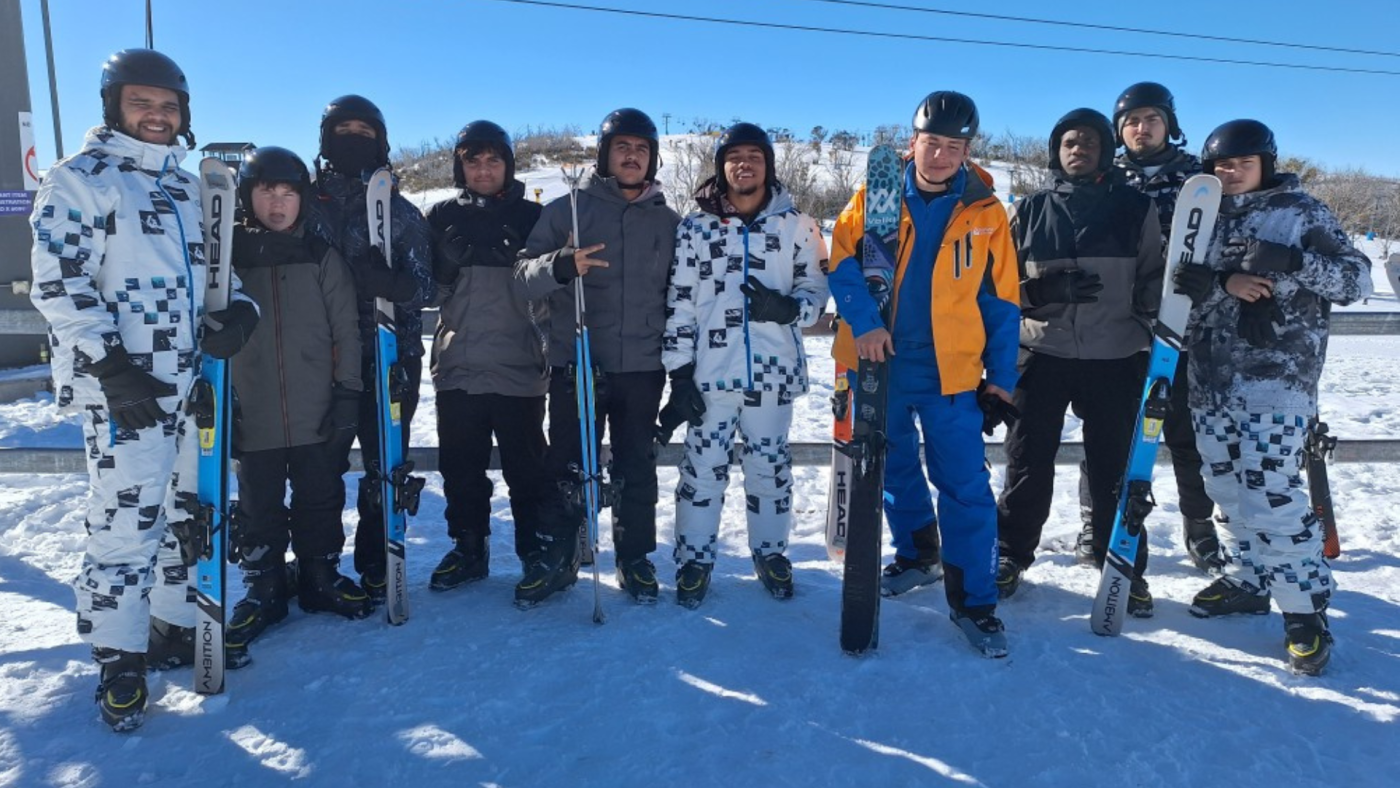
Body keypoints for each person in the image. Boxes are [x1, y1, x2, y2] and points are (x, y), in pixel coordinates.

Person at [28, 49, 257, 731]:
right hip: (123, 389)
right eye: (142, 103)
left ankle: (173, 622)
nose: (157, 116)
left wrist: (240, 310)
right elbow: (58, 283)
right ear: (113, 106)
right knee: (126, 522)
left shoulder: (191, 189)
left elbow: (220, 275)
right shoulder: (81, 180)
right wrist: (107, 364)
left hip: (192, 386)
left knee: (191, 510)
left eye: (168, 106)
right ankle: (119, 654)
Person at [829, 91, 1021, 657]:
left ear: (967, 151)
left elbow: (1002, 302)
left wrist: (1001, 378)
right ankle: (918, 555)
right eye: (931, 143)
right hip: (878, 361)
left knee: (964, 485)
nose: (939, 155)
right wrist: (865, 323)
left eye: (952, 146)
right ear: (912, 143)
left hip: (952, 370)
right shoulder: (874, 196)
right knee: (889, 470)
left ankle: (976, 602)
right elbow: (842, 263)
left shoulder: (986, 212)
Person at [1177, 119, 1371, 676]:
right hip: (1210, 379)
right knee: (1224, 487)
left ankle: (1304, 610)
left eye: (1242, 163)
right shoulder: (1201, 215)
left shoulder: (1300, 211)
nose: (1230, 173)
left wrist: (1290, 261)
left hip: (1277, 384)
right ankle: (1248, 578)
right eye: (1220, 165)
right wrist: (1218, 284)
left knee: (1273, 496)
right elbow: (1179, 287)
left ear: (1266, 162)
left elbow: (1355, 280)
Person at [995, 108, 1164, 617]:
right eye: (1068, 142)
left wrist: (1173, 306)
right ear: (1056, 150)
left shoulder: (1135, 208)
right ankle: (1009, 553)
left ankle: (1124, 565)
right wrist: (1038, 290)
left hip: (1114, 356)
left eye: (1088, 142)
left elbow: (1153, 279)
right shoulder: (1029, 209)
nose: (1077, 149)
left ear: (1105, 150)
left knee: (1115, 466)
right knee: (1026, 461)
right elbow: (998, 288)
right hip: (1041, 353)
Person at [515, 108, 680, 607]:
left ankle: (634, 557)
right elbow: (522, 277)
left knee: (636, 464)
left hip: (642, 366)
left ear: (652, 159)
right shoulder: (567, 209)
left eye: (641, 149)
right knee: (566, 463)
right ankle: (558, 556)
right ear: (606, 155)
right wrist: (561, 266)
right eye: (622, 148)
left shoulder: (668, 221)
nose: (632, 156)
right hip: (578, 361)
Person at [661, 122, 829, 608]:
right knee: (702, 468)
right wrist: (678, 372)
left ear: (768, 165)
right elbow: (681, 302)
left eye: (754, 156)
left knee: (770, 467)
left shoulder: (798, 225)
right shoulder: (695, 228)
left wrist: (789, 309)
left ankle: (771, 552)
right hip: (711, 374)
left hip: (773, 375)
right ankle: (694, 559)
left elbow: (817, 291)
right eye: (734, 157)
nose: (744, 164)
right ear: (721, 166)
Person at [224, 146, 371, 667]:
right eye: (267, 191)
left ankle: (319, 575)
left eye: (289, 192)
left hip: (315, 406)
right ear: (248, 195)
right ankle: (263, 585)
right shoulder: (226, 261)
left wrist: (348, 394)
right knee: (257, 503)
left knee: (319, 496)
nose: (278, 203)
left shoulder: (321, 257)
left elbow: (345, 330)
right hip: (253, 407)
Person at [1082, 81, 1220, 574]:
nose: (1142, 128)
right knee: (1109, 432)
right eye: (1133, 121)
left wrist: (1213, 276)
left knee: (1183, 432)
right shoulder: (1103, 177)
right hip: (1119, 326)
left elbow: (1224, 243)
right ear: (1120, 129)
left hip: (1184, 325)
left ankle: (1199, 524)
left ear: (1169, 124)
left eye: (1152, 119)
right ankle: (1094, 520)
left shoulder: (1199, 179)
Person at [307, 95, 435, 603]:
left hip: (390, 357)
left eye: (364, 131)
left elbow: (429, 289)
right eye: (344, 130)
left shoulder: (401, 212)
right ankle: (318, 565)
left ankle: (379, 557)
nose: (353, 139)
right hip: (321, 359)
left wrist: (396, 284)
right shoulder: (303, 203)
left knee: (386, 462)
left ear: (380, 141)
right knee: (321, 466)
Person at [423, 121, 557, 592]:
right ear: (461, 165)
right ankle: (468, 547)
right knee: (460, 469)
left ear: (508, 165)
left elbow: (550, 292)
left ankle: (534, 549)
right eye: (473, 160)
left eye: (493, 159)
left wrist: (521, 268)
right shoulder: (439, 215)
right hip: (458, 363)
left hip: (518, 365)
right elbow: (428, 293)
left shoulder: (533, 217)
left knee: (526, 468)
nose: (483, 169)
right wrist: (443, 267)